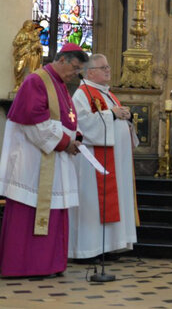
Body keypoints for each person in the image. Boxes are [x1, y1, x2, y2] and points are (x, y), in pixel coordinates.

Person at [0, 43, 88, 277]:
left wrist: (76, 136)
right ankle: (25, 265)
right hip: (34, 162)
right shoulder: (37, 81)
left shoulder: (60, 84)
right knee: (30, 210)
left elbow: (69, 119)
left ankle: (50, 264)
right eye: (75, 68)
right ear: (62, 60)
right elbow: (34, 124)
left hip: (53, 160)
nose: (76, 74)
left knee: (54, 210)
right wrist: (65, 143)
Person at [68, 54, 138, 261]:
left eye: (108, 66)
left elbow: (114, 120)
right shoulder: (82, 94)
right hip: (94, 165)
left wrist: (127, 118)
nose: (108, 70)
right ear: (90, 72)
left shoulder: (108, 94)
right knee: (92, 204)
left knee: (111, 203)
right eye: (103, 67)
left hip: (115, 162)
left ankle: (109, 246)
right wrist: (113, 115)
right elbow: (82, 124)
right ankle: (88, 250)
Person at [12, 20, 44, 92]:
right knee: (18, 69)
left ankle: (30, 86)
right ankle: (18, 84)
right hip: (22, 53)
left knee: (32, 71)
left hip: (32, 54)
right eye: (27, 26)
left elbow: (39, 45)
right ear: (24, 26)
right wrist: (25, 41)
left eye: (30, 26)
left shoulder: (34, 35)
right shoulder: (21, 34)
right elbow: (15, 43)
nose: (29, 28)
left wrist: (37, 47)